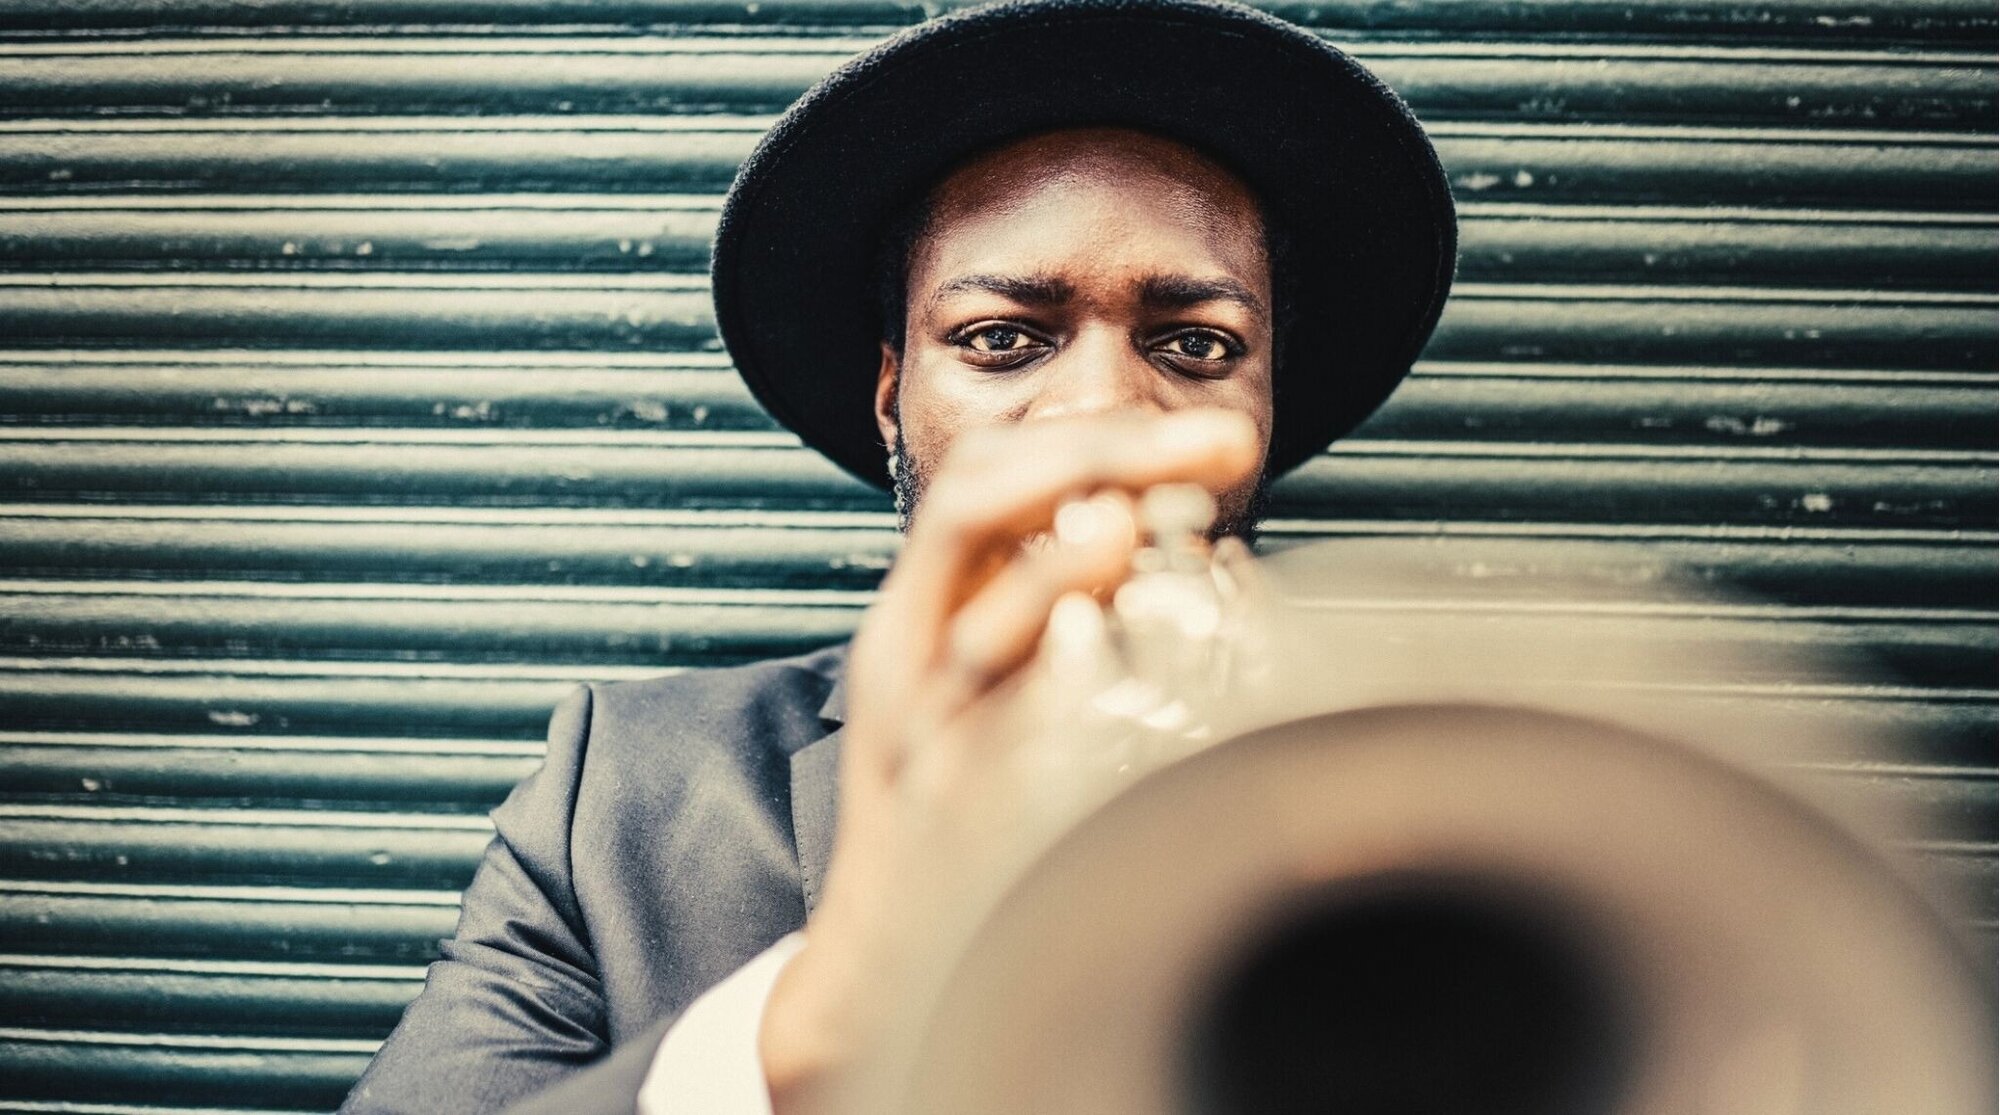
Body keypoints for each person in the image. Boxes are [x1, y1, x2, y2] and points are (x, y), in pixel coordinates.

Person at [337, 1, 1455, 1111]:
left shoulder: (1451, 787)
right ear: (892, 396)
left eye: (1195, 342)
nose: (1103, 408)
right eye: (1001, 340)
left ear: (1261, 405)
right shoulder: (623, 794)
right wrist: (817, 1020)